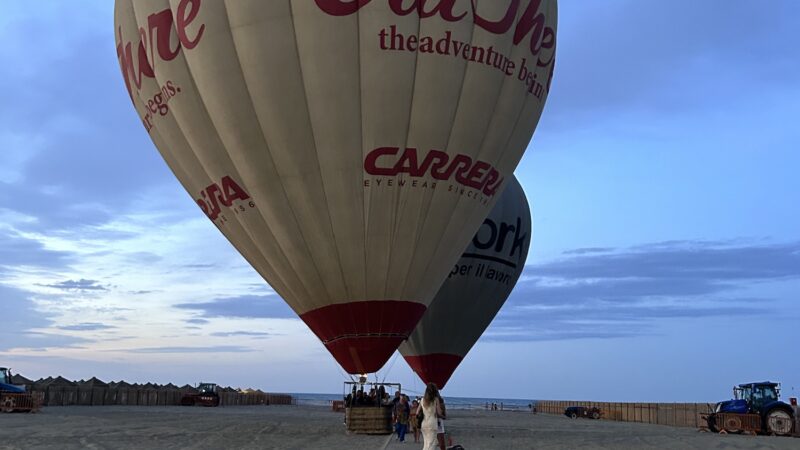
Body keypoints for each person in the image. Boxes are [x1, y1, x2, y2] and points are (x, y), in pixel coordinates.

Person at [420, 383, 444, 450]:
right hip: (432, 423)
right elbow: (439, 412)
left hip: (424, 423)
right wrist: (442, 414)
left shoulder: (422, 400)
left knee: (426, 443)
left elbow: (417, 413)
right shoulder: (435, 399)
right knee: (432, 444)